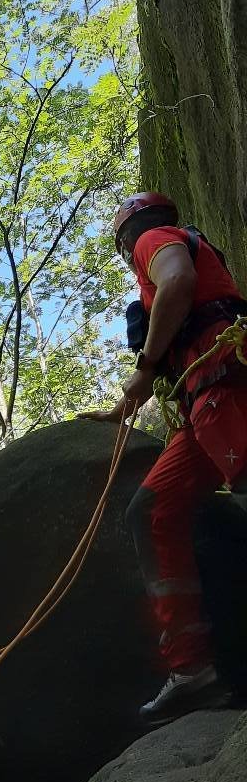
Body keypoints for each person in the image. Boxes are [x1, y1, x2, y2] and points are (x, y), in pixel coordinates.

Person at [81, 191, 247, 725]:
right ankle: (191, 669)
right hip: (203, 398)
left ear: (129, 237)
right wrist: (128, 400)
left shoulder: (156, 241)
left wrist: (147, 366)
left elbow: (177, 283)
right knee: (150, 511)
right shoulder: (179, 243)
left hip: (228, 380)